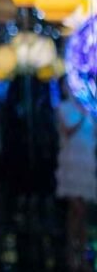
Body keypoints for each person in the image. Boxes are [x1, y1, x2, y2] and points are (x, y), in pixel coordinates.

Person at [55, 80, 96, 272]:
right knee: (75, 208)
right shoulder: (63, 108)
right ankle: (73, 245)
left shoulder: (90, 109)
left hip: (86, 162)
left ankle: (83, 245)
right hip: (71, 163)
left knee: (83, 209)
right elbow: (67, 131)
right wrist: (82, 115)